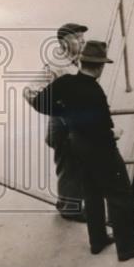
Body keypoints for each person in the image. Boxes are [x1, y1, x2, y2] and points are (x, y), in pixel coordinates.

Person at [24, 40, 134, 261]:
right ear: (100, 66)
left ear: (82, 61)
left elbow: (39, 103)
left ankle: (98, 240)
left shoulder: (64, 82)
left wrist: (64, 112)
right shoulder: (95, 92)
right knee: (119, 194)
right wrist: (115, 132)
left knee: (91, 192)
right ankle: (128, 247)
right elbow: (102, 129)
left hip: (76, 145)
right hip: (101, 150)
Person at [42, 23, 88, 221]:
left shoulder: (72, 63)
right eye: (77, 38)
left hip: (69, 124)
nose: (82, 41)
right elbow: (33, 91)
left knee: (70, 166)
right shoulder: (57, 66)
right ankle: (71, 209)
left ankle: (66, 204)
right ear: (63, 42)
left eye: (83, 38)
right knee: (71, 166)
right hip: (63, 125)